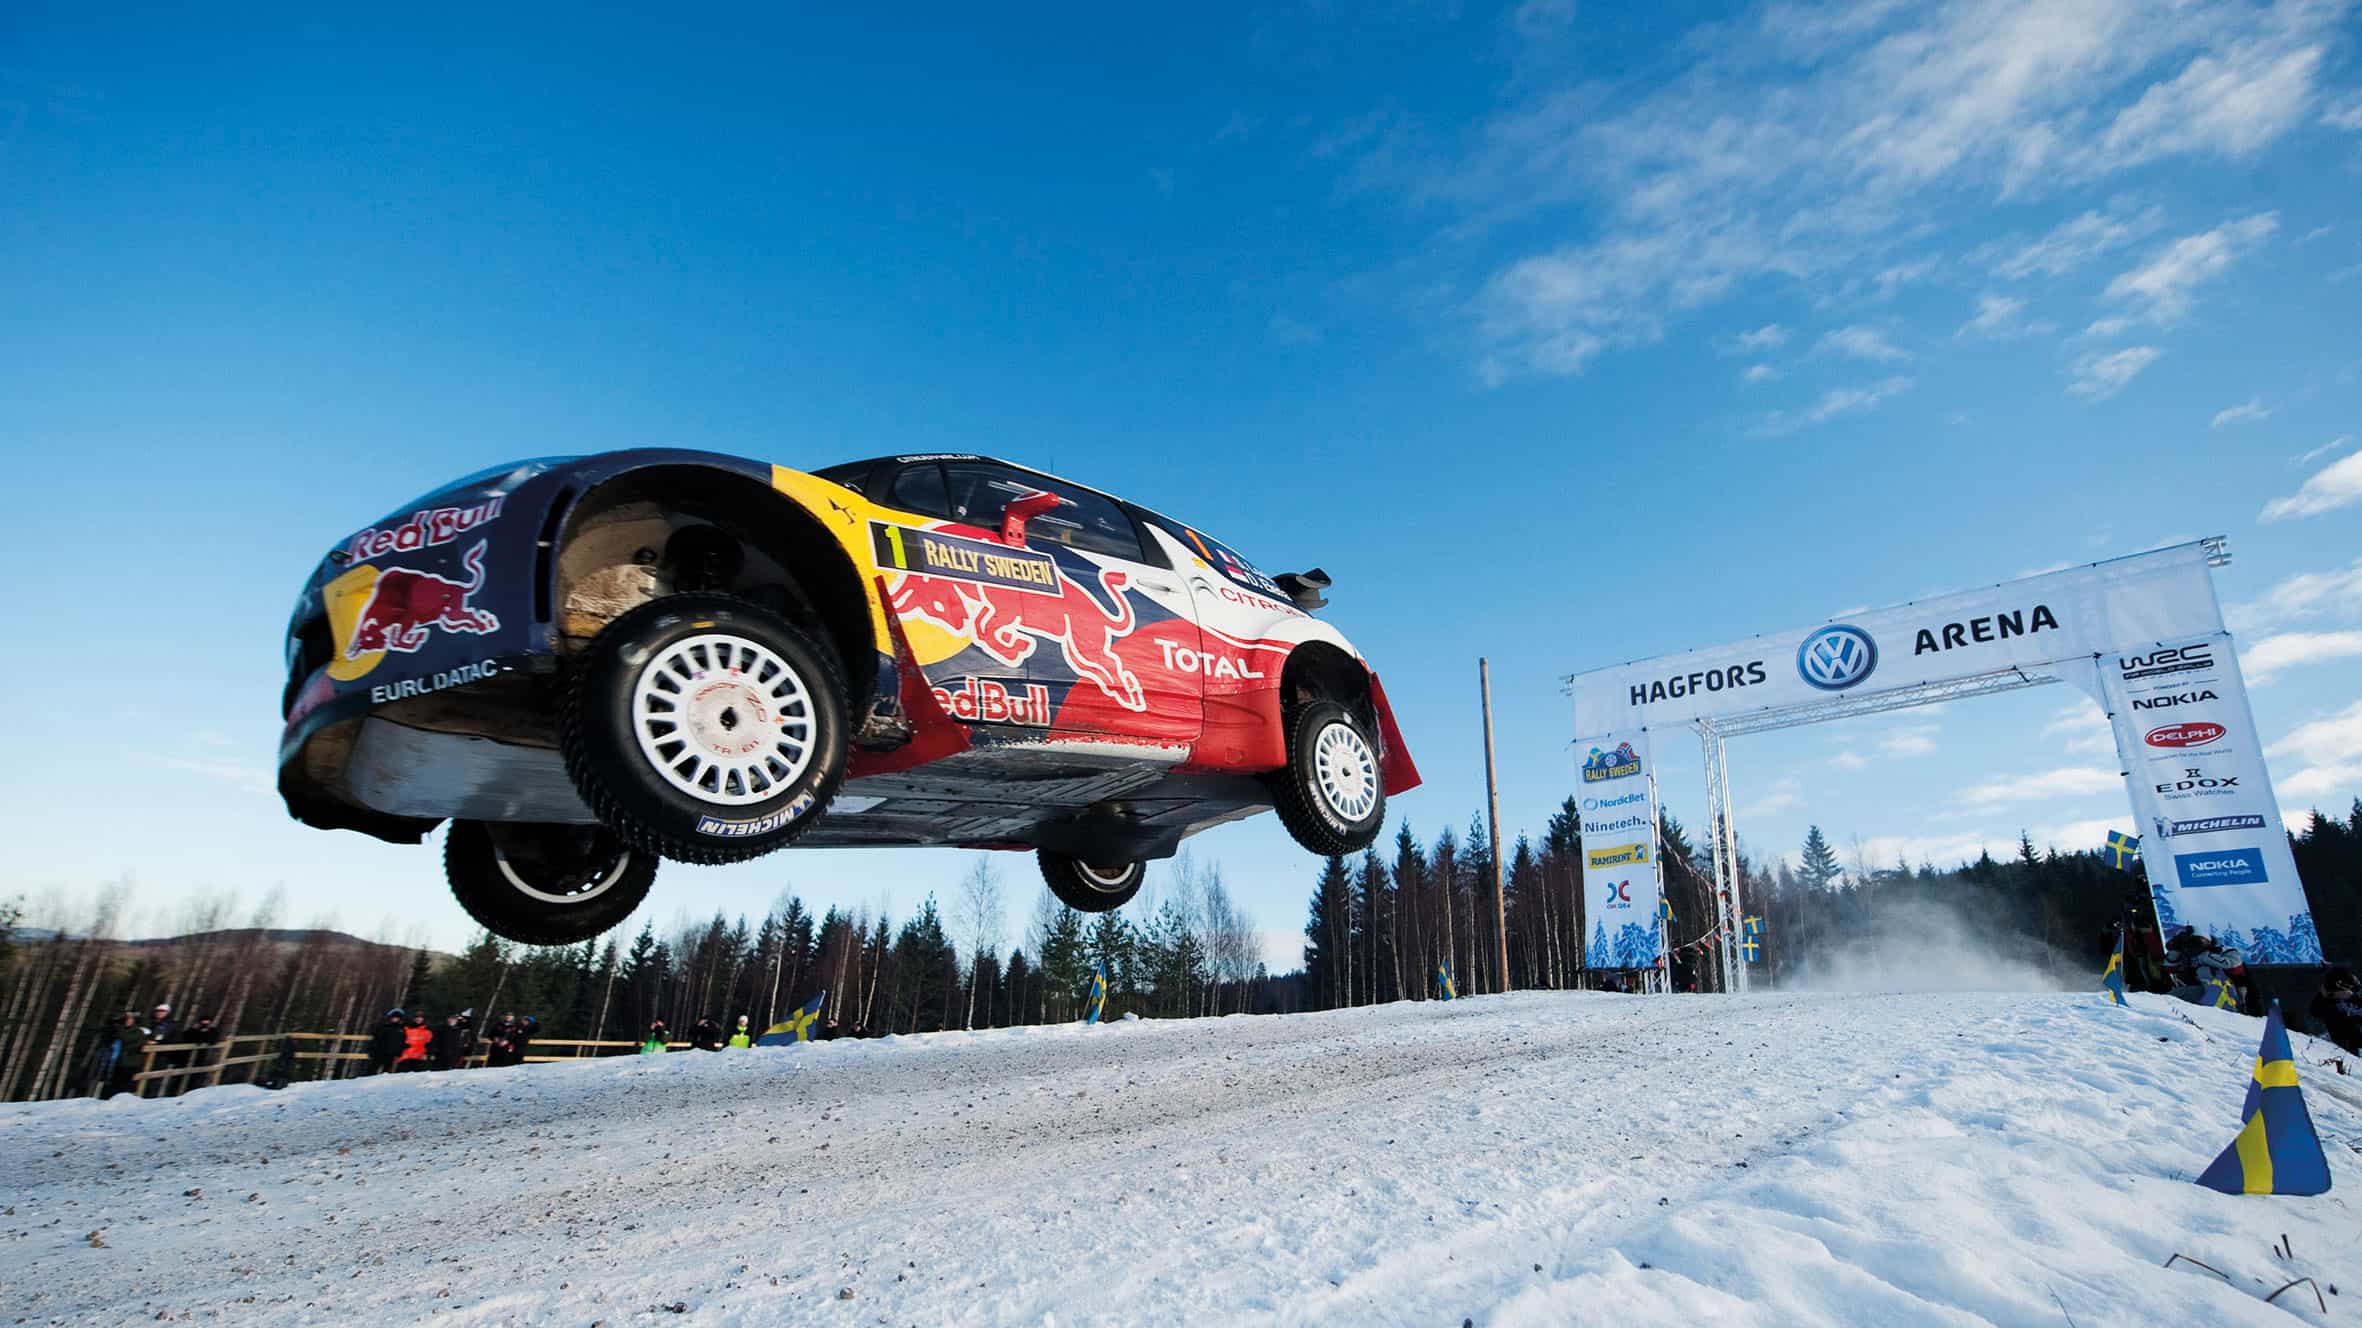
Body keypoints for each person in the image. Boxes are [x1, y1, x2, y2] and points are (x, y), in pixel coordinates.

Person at [2310, 967, 2361, 1055]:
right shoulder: (2329, 1000)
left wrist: (2353, 998)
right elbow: (2314, 1013)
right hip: (2342, 1042)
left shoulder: (2355, 991)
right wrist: (2325, 996)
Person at [368, 1009, 408, 1075]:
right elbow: (376, 1039)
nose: (395, 1019)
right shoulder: (383, 1027)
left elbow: (402, 1041)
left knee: (386, 1072)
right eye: (394, 1017)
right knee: (372, 1070)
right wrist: (371, 1050)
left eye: (397, 1018)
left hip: (391, 1054)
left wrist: (400, 1051)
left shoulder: (402, 1029)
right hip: (379, 1052)